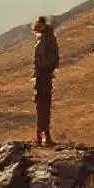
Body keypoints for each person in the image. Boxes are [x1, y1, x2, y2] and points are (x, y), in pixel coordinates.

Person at [32, 16, 60, 146]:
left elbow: (49, 59)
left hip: (43, 77)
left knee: (43, 106)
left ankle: (43, 136)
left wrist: (42, 67)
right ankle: (42, 135)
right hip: (43, 77)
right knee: (42, 106)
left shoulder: (46, 40)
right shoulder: (47, 38)